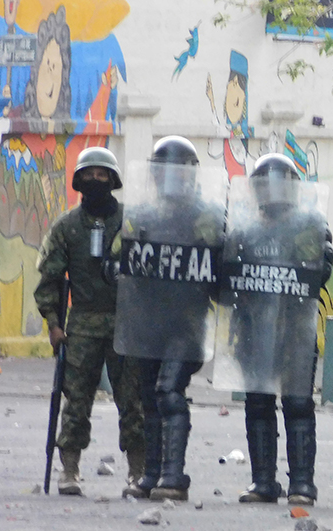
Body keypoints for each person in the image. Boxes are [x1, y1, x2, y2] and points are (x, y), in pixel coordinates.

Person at [219, 153, 333, 505]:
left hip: (295, 329)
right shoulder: (243, 229)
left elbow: (321, 269)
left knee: (298, 405)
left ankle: (301, 483)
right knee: (257, 403)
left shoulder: (310, 224)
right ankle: (263, 481)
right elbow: (227, 284)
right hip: (254, 329)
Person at [115, 136, 225, 502]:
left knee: (168, 391)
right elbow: (118, 264)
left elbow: (223, 274)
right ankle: (151, 474)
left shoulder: (208, 217)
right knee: (149, 395)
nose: (172, 180)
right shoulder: (141, 216)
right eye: (166, 172)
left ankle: (173, 476)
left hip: (187, 323)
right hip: (148, 322)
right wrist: (114, 267)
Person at [34, 146, 145, 496]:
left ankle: (138, 472)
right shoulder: (66, 227)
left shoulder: (132, 223)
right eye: (89, 174)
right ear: (78, 180)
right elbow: (50, 278)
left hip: (126, 323)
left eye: (102, 175)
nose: (95, 180)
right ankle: (70, 471)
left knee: (133, 402)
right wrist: (53, 323)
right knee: (76, 401)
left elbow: (149, 271)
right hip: (81, 324)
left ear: (112, 180)